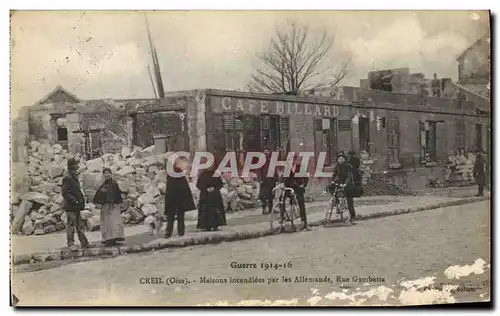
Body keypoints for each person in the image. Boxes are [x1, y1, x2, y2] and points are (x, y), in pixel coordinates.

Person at [61, 158, 89, 251]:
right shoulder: (67, 177)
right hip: (71, 206)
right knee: (72, 225)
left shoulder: (73, 175)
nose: (78, 166)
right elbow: (65, 193)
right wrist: (74, 200)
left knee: (80, 225)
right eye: (76, 164)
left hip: (75, 205)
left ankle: (84, 243)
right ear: (72, 166)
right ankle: (70, 244)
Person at [165, 157, 196, 238]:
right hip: (178, 199)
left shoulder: (171, 173)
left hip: (172, 198)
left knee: (171, 217)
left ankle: (169, 233)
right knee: (179, 217)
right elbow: (183, 187)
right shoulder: (177, 172)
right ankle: (180, 232)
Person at [93, 168, 125, 246]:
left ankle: (115, 238)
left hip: (113, 205)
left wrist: (119, 202)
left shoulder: (114, 183)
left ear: (111, 174)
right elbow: (98, 195)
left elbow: (117, 193)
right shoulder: (102, 184)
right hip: (105, 206)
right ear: (103, 174)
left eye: (108, 173)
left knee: (115, 222)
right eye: (105, 173)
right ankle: (108, 240)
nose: (106, 174)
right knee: (106, 224)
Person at [196, 162, 227, 231]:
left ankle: (216, 225)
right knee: (205, 211)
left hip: (214, 195)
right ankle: (206, 226)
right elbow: (198, 185)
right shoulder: (202, 175)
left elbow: (220, 184)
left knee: (215, 210)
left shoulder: (216, 174)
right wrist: (205, 189)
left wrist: (214, 188)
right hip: (205, 195)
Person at [284, 154, 310, 231]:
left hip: (298, 187)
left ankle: (304, 222)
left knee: (300, 200)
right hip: (289, 187)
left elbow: (305, 178)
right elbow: (284, 178)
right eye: (288, 160)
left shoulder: (299, 167)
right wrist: (281, 183)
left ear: (295, 160)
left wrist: (303, 185)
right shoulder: (287, 168)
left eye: (292, 160)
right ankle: (282, 216)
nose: (290, 161)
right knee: (281, 198)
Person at [331, 151, 356, 224]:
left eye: (342, 159)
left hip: (348, 184)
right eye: (339, 159)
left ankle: (352, 217)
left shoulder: (348, 166)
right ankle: (337, 203)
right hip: (341, 182)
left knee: (349, 201)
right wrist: (332, 181)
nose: (340, 160)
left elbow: (349, 176)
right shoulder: (337, 166)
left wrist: (345, 184)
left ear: (344, 159)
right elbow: (334, 174)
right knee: (331, 188)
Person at [258, 148, 278, 215]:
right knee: (264, 196)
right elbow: (259, 171)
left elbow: (275, 170)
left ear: (269, 152)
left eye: (267, 151)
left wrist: (277, 179)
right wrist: (260, 180)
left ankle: (271, 209)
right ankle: (264, 209)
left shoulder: (272, 160)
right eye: (265, 151)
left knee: (271, 195)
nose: (266, 153)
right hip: (264, 181)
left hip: (272, 180)